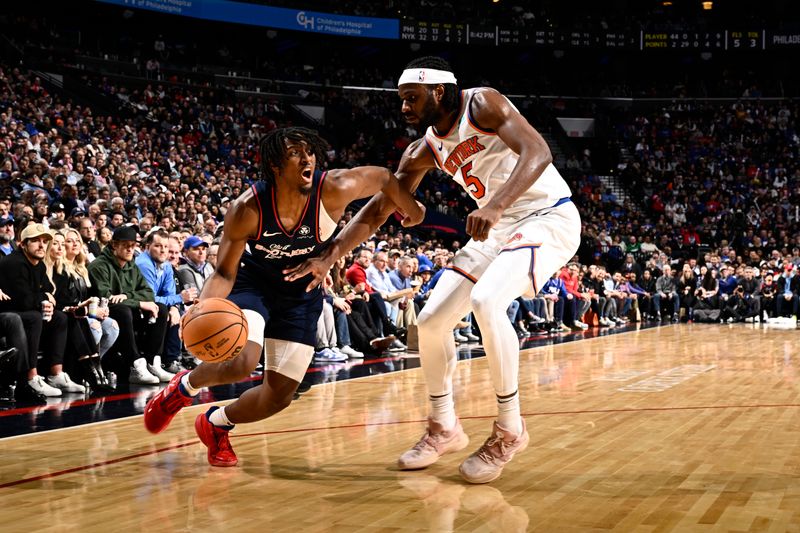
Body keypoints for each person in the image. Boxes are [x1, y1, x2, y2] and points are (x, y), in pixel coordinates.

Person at [284, 57, 581, 483]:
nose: (403, 107)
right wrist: (330, 254)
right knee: (430, 321)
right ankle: (444, 426)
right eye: (401, 99)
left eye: (411, 98)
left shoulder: (483, 103)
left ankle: (510, 429)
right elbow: (380, 208)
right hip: (497, 230)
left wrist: (495, 205)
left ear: (438, 91)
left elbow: (538, 150)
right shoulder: (422, 149)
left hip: (547, 216)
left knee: (486, 301)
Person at [143, 127, 424, 467]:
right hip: (254, 285)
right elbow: (224, 273)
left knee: (279, 396)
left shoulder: (333, 188)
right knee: (243, 362)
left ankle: (216, 424)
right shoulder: (248, 207)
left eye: (310, 152)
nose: (307, 158)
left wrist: (412, 208)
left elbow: (382, 177)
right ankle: (182, 388)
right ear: (275, 165)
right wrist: (201, 308)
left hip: (301, 295)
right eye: (295, 153)